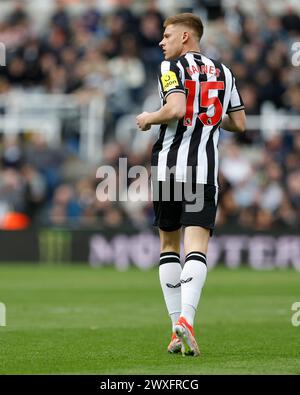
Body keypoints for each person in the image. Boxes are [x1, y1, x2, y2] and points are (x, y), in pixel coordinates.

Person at [136, 13, 246, 357]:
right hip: (204, 170)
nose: (161, 41)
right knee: (197, 245)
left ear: (186, 37)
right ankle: (187, 320)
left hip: (169, 168)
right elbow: (239, 123)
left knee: (169, 244)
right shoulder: (224, 72)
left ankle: (175, 328)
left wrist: (149, 117)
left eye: (167, 36)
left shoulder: (171, 69)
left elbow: (176, 108)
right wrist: (209, 117)